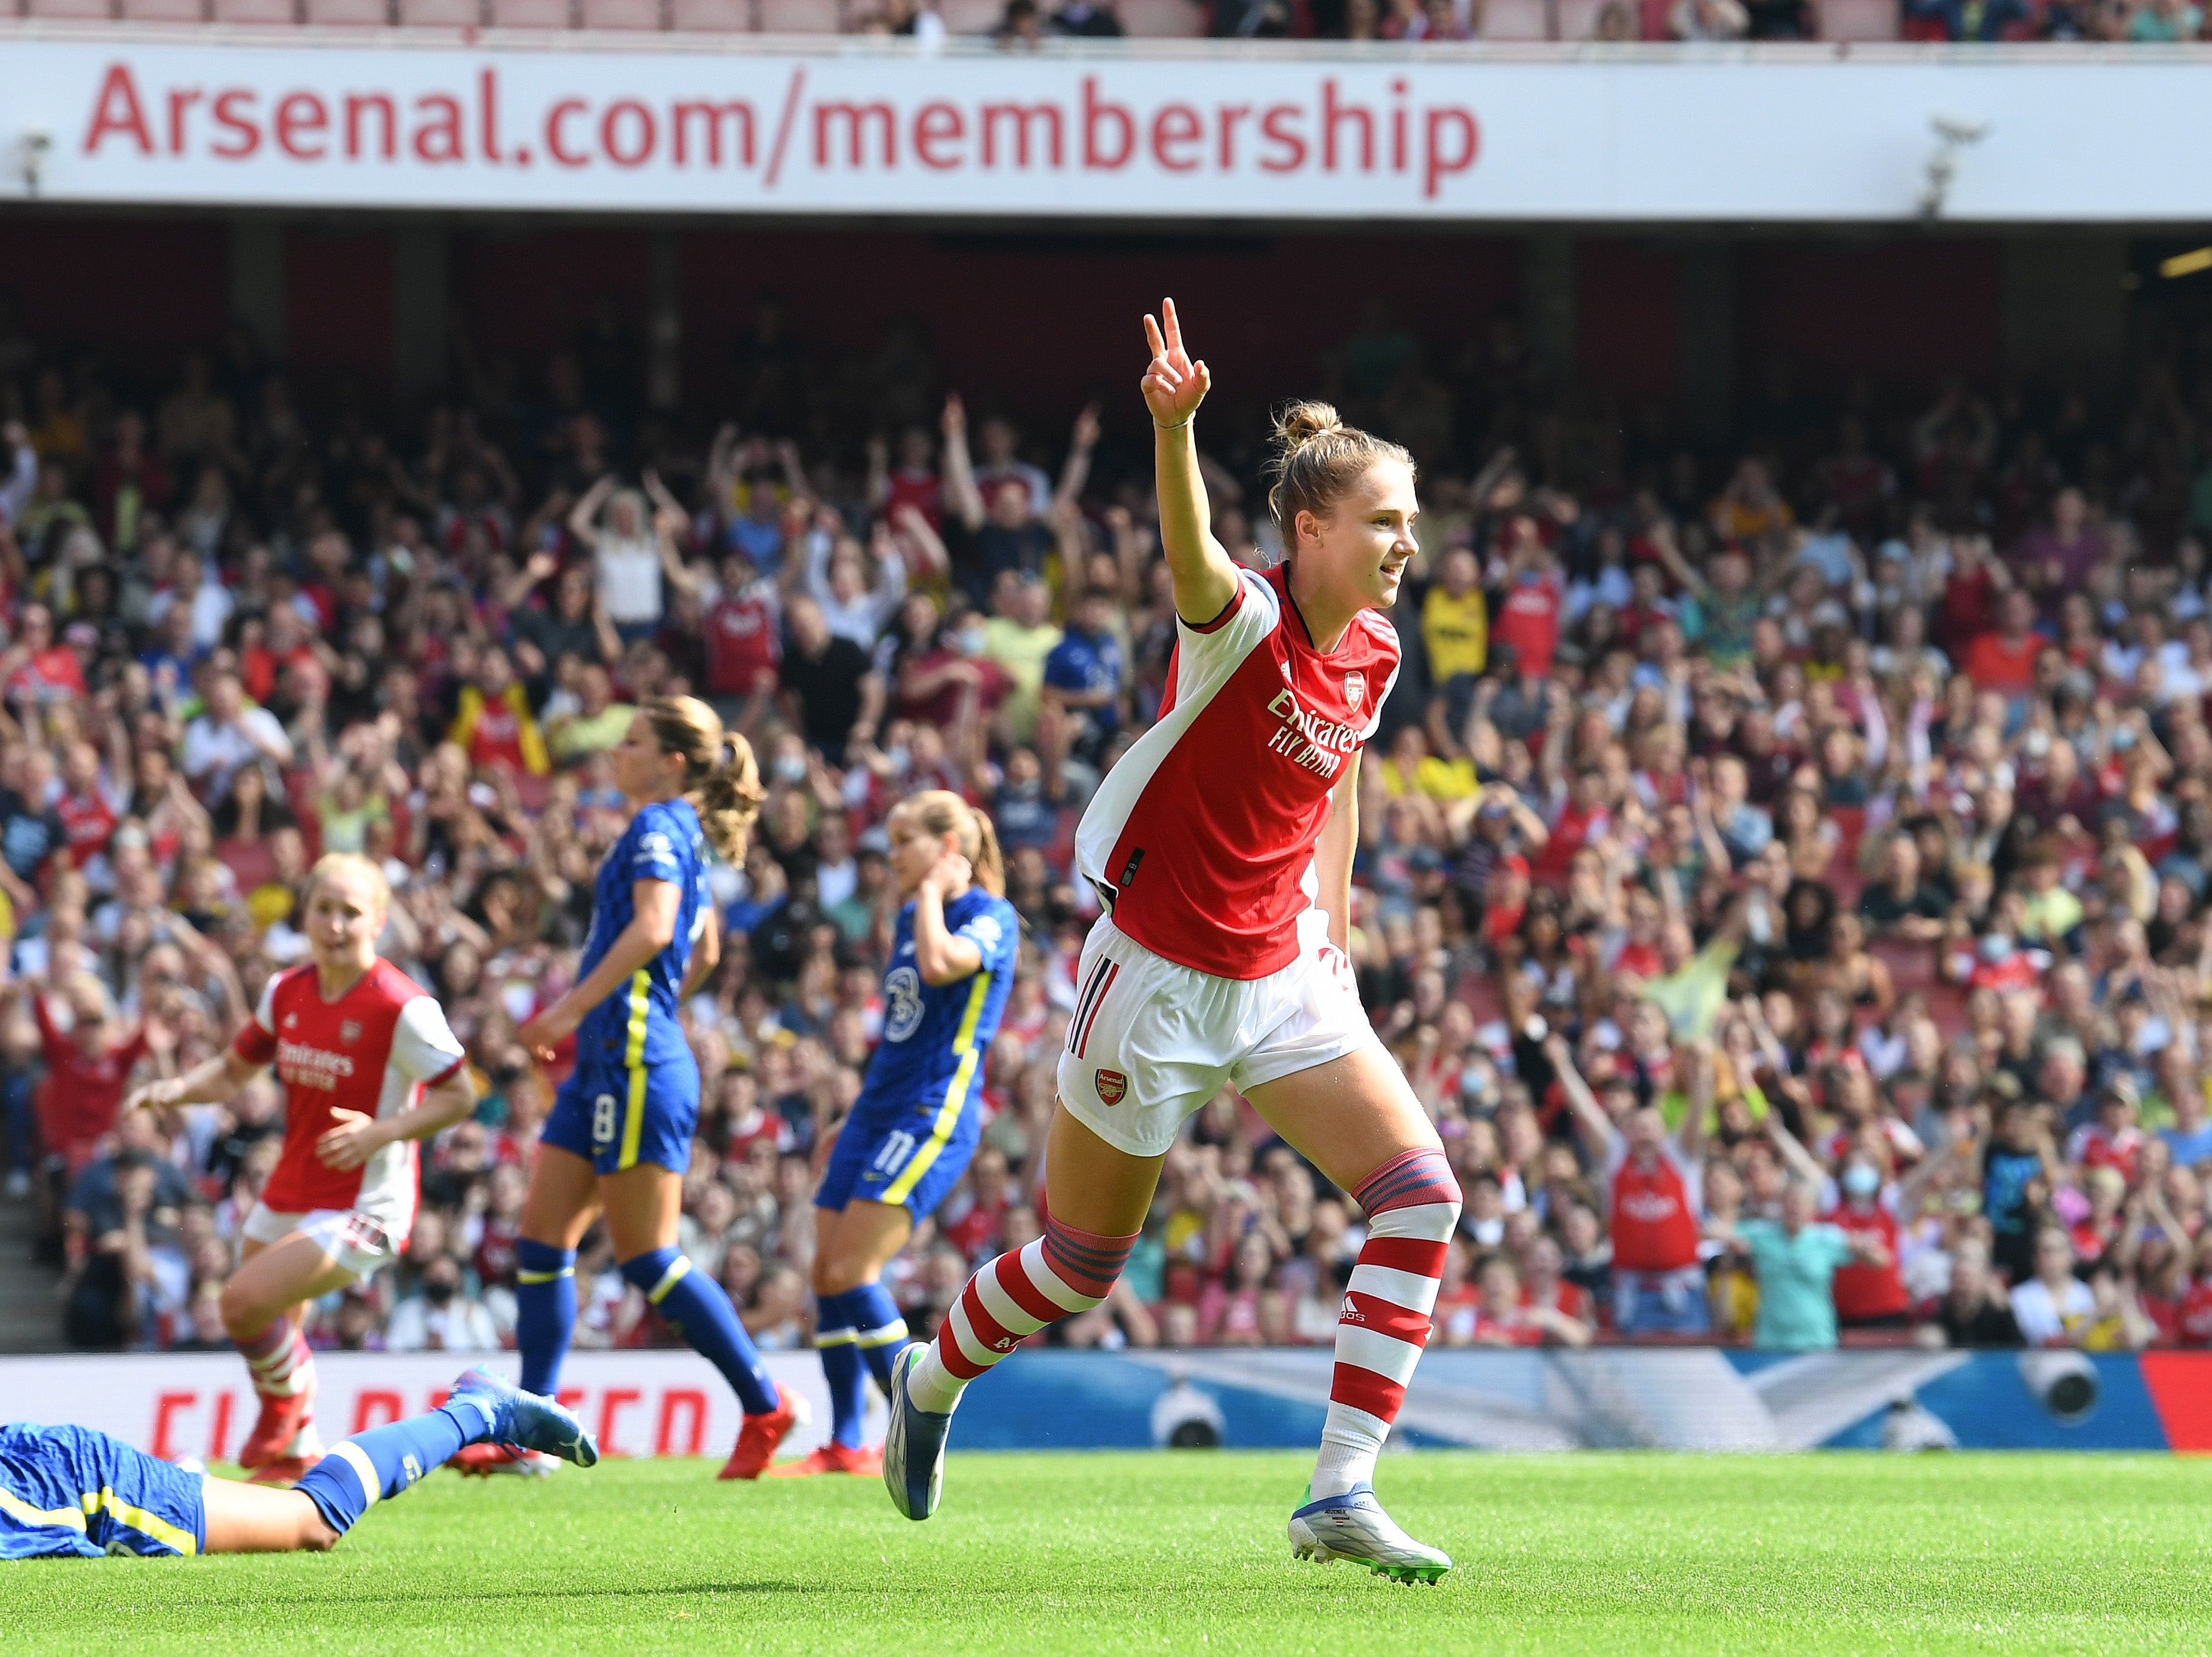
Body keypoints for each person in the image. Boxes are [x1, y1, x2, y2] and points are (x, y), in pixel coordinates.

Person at [882, 301, 1458, 1585]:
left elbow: (1338, 786)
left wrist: (1340, 935)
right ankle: (929, 1375)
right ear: (1309, 529)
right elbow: (1190, 550)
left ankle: (1341, 1488)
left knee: (1422, 1193)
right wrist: (1176, 430)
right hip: (1154, 981)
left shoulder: (1376, 649)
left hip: (1283, 973)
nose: (1406, 538)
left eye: (1410, 517)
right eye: (1383, 518)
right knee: (1082, 1262)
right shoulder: (1240, 619)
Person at [506, 697, 805, 1480]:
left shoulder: (656, 828)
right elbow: (702, 946)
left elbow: (657, 928)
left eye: (631, 741)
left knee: (646, 1257)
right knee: (542, 1243)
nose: (616, 752)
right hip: (614, 1059)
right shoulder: (684, 836)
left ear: (672, 761)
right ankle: (532, 1431)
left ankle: (766, 1401)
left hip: (634, 1062)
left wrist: (574, 1009)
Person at [124, 854, 475, 1484]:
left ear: (379, 920)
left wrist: (383, 1131)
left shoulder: (404, 1006)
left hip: (368, 1203)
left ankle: (286, 1406)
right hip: (291, 1186)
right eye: (323, 908)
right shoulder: (286, 989)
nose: (335, 923)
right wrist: (174, 1088)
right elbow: (234, 1071)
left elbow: (461, 1095)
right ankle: (299, 1450)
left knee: (239, 1304)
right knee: (272, 1318)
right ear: (304, 913)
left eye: (351, 911)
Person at [772, 792, 1018, 1478]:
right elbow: (901, 1031)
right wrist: (851, 1116)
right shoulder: (913, 916)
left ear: (946, 849)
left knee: (853, 1269)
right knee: (826, 1275)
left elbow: (943, 967)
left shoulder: (986, 916)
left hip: (932, 1111)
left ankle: (915, 1423)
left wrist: (937, 892)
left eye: (904, 842)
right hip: (879, 1109)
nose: (891, 858)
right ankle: (845, 1441)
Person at [0, 1368, 594, 1560]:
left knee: (312, 1518)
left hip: (70, 1482)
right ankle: (187, 1482)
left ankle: (474, 1412)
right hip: (31, 1458)